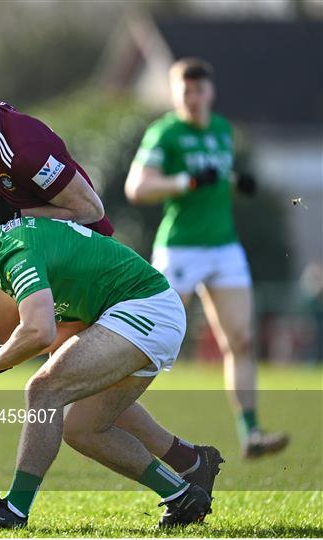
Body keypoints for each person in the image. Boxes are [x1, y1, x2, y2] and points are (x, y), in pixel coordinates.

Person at [0, 46, 221, 526]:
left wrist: (16, 214)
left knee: (63, 387)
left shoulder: (26, 142)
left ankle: (185, 466)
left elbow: (90, 211)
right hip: (17, 254)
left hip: (80, 267)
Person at [0, 208, 223, 528]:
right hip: (141, 314)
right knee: (82, 429)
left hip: (146, 309)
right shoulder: (8, 251)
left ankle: (15, 511)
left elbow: (38, 331)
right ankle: (181, 495)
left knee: (44, 389)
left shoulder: (15, 248)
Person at [124, 57, 289, 459]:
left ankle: (251, 432)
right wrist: (188, 181)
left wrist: (234, 183)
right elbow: (137, 188)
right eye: (186, 91)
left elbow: (214, 182)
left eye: (200, 90)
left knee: (242, 339)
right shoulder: (166, 133)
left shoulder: (221, 131)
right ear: (176, 93)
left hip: (224, 247)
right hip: (179, 247)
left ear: (211, 92)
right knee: (153, 341)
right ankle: (112, 409)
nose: (194, 98)